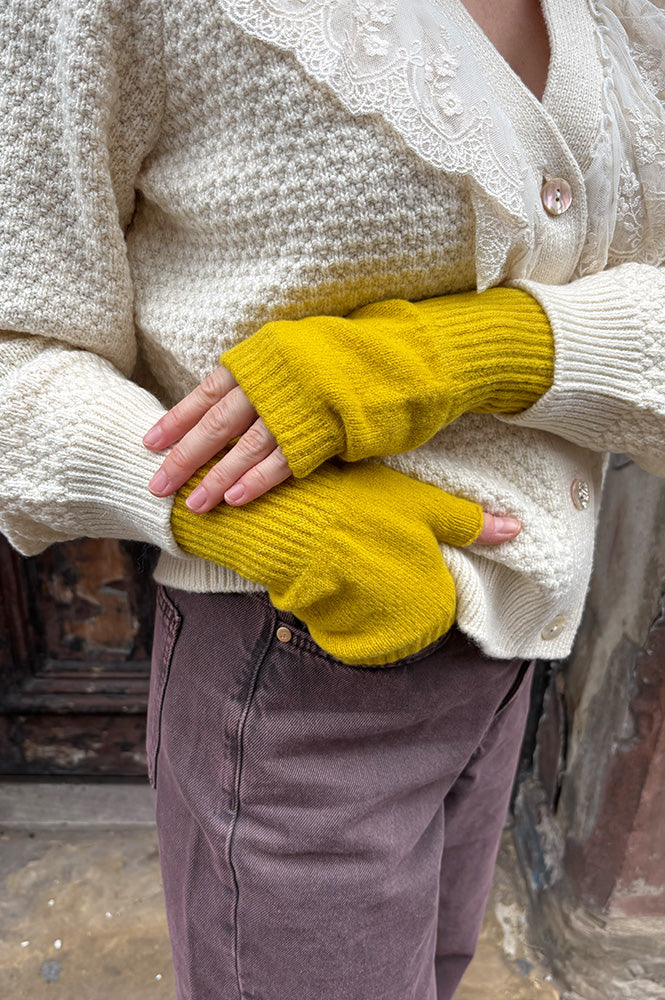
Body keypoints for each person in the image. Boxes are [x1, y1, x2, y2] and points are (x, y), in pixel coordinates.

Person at [2, 1, 665, 998]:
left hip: (508, 654)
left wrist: (450, 354)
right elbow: (18, 354)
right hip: (296, 656)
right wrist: (247, 515)